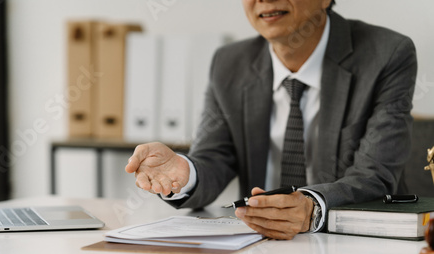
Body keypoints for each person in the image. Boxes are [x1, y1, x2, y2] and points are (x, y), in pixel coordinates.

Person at [125, 0, 417, 240]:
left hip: (352, 249)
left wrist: (310, 207)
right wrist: (184, 171)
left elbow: (375, 175)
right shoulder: (229, 63)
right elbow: (214, 157)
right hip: (259, 250)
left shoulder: (387, 54)